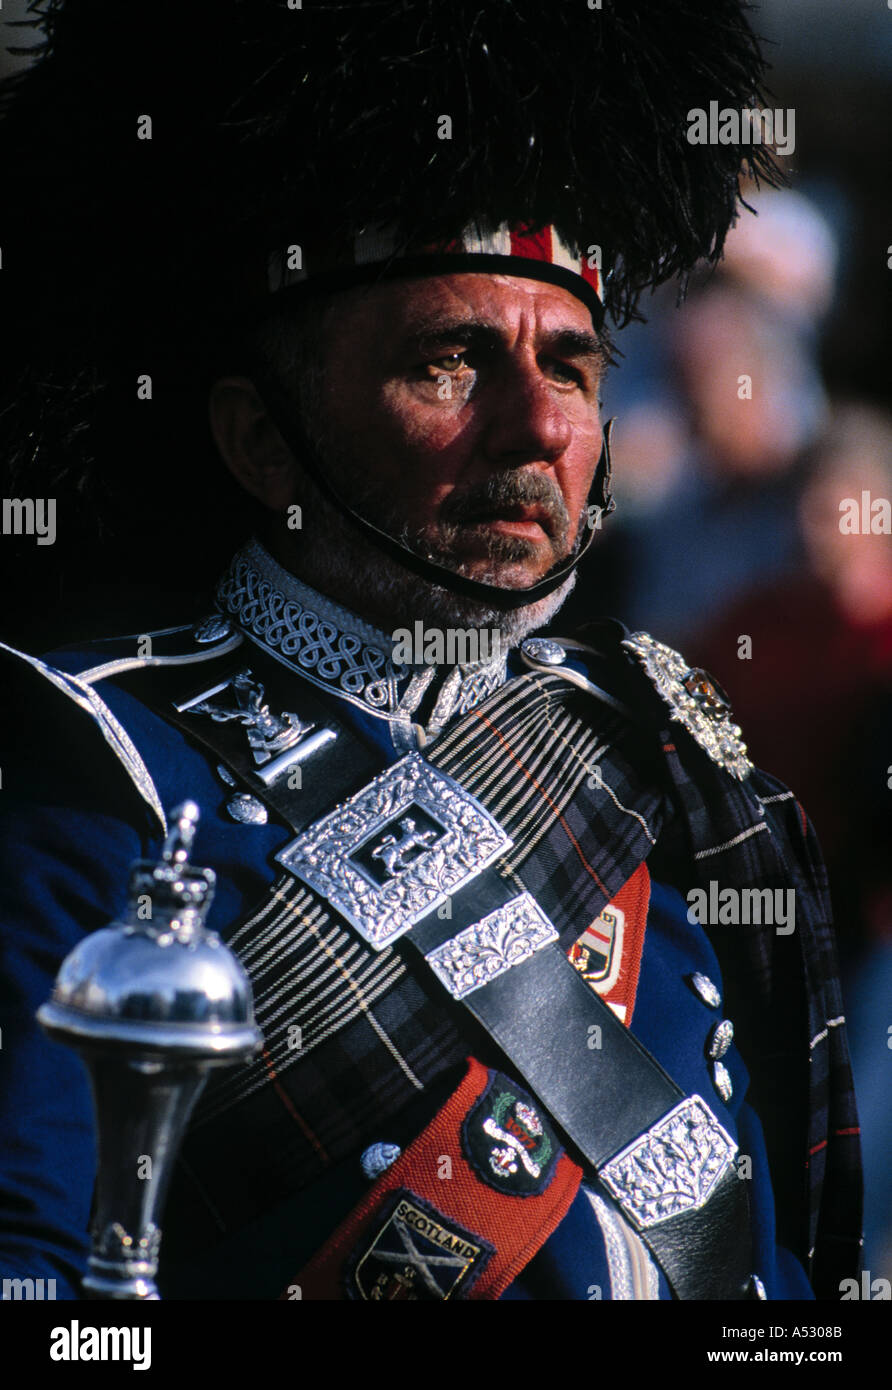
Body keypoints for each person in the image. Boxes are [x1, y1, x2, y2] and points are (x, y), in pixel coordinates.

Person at [0, 0, 861, 1302]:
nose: (535, 428)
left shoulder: (656, 748)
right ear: (261, 442)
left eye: (570, 367)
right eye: (452, 359)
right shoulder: (99, 768)